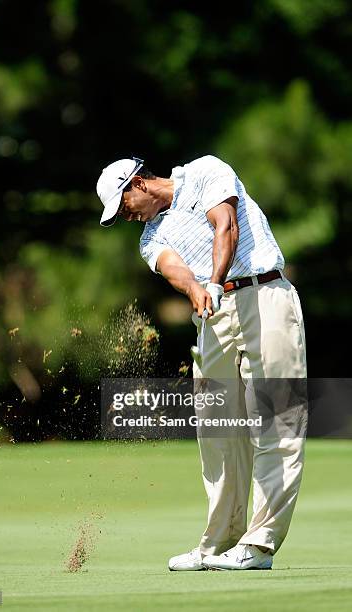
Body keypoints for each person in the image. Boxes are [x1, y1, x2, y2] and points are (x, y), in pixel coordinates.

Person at [96, 154, 307, 571]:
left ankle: (259, 545)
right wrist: (196, 289)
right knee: (218, 431)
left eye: (123, 207)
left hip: (265, 293)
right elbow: (174, 268)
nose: (126, 217)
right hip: (215, 314)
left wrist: (211, 282)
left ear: (137, 183)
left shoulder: (206, 171)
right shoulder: (149, 237)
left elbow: (224, 224)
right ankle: (220, 544)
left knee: (276, 421)